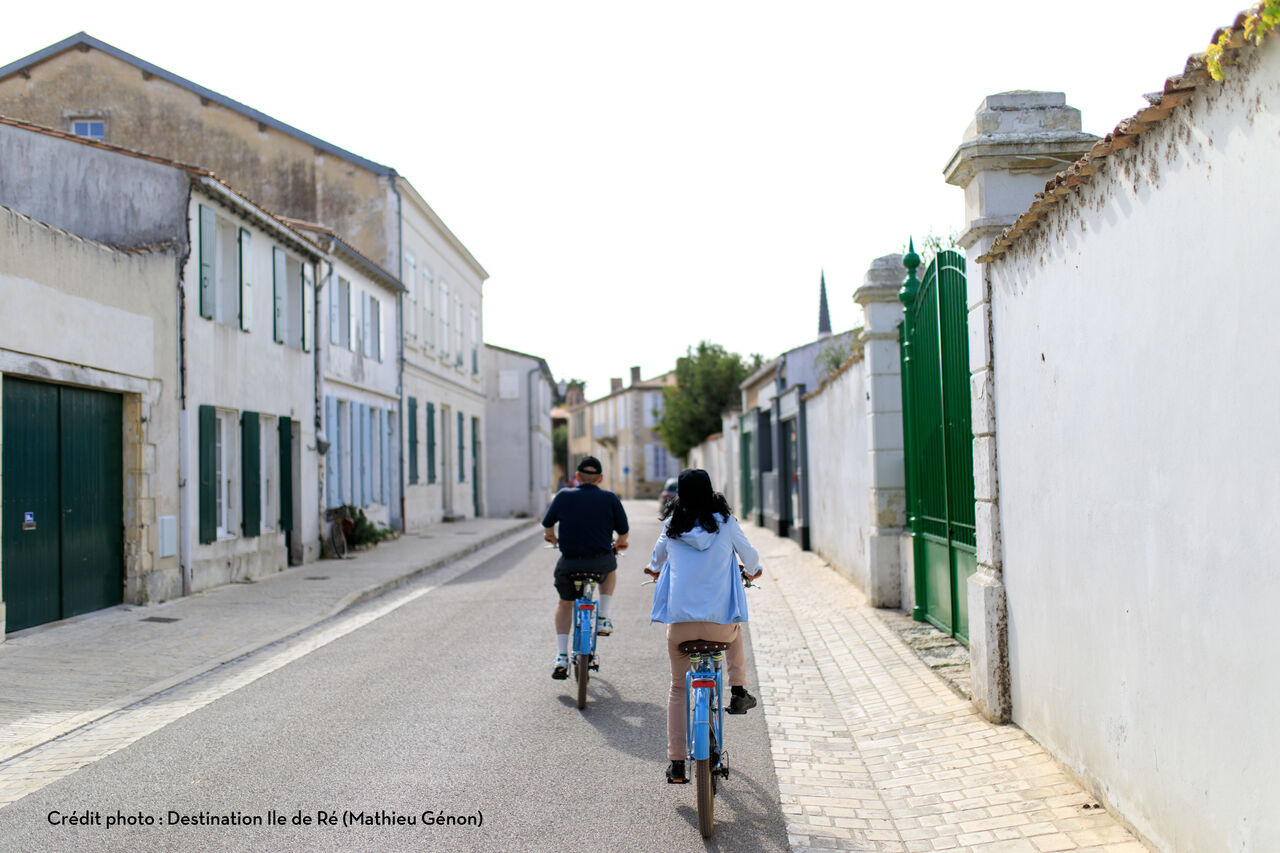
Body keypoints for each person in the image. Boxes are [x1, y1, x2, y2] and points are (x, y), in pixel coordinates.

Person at [645, 468, 763, 784]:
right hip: (718, 628)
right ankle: (738, 690)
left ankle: (677, 763)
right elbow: (751, 559)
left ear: (679, 497)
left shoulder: (672, 526)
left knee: (678, 687)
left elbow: (654, 561)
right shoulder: (727, 525)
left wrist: (656, 570)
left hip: (681, 627)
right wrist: (753, 571)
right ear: (712, 493)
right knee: (734, 624)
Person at [542, 456, 629, 680]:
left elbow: (547, 524)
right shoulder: (609, 498)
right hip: (600, 562)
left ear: (577, 477)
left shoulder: (563, 496)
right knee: (611, 569)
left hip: (569, 564)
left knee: (564, 603)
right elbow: (624, 531)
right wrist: (620, 543)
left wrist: (551, 537)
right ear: (600, 478)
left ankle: (561, 656)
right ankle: (603, 617)